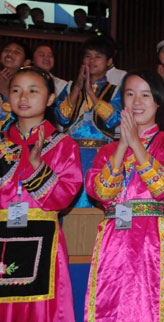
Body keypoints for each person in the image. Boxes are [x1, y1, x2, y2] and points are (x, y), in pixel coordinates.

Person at [84, 71, 164, 321]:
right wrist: (122, 145)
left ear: (158, 102)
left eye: (145, 95)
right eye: (130, 94)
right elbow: (100, 192)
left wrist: (136, 144)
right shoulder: (107, 150)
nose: (137, 101)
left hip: (153, 237)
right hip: (114, 239)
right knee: (110, 304)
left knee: (155, 303)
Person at [0, 66, 82, 321]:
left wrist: (38, 168)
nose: (23, 97)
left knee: (40, 310)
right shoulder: (2, 144)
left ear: (49, 99)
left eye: (32, 91)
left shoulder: (63, 145)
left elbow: (65, 196)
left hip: (43, 239)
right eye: (16, 90)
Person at [54, 36, 122, 208]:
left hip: (101, 157)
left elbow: (112, 119)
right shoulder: (69, 88)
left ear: (109, 62)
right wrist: (78, 87)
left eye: (97, 56)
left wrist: (90, 93)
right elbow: (62, 117)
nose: (91, 61)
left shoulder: (116, 91)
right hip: (71, 157)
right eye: (87, 56)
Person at [0, 41, 31, 129]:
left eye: (17, 52)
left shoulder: (29, 85)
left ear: (26, 62)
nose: (10, 53)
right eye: (6, 50)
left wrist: (5, 92)